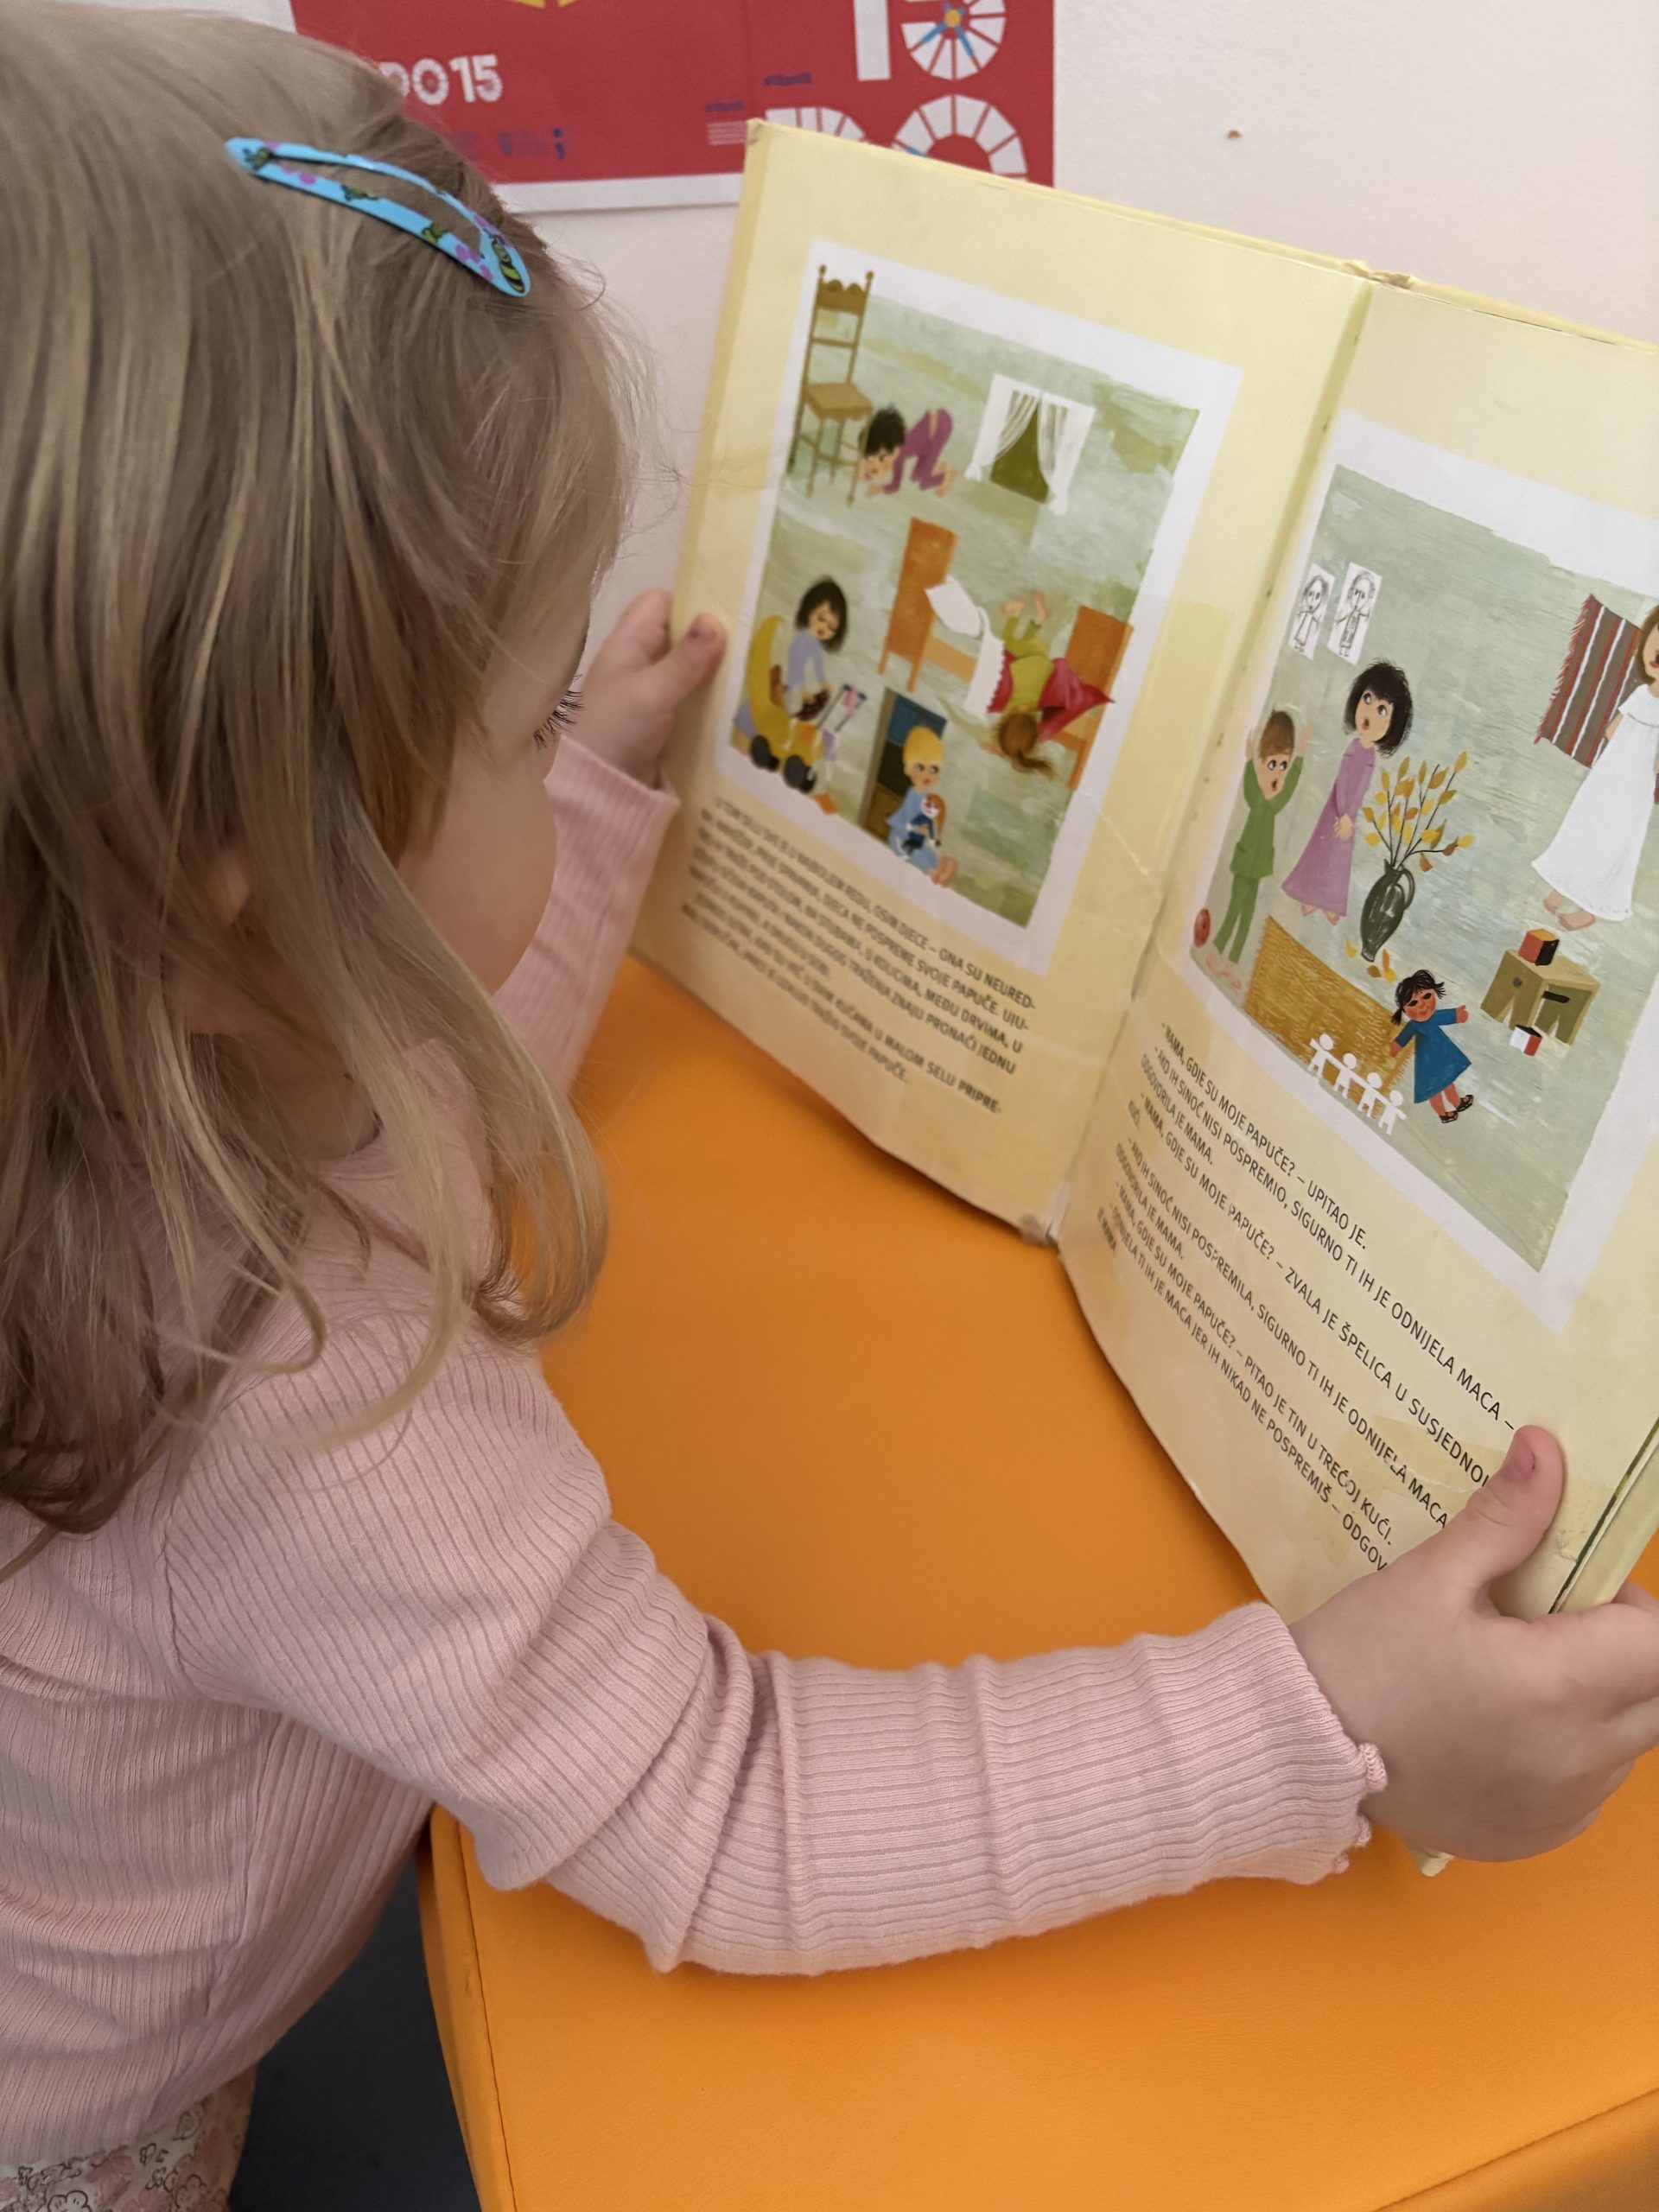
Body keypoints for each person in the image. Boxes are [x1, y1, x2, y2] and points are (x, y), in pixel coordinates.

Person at [6, 8, 1659, 2196]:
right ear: (262, 879)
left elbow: (417, 1060)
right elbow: (725, 1801)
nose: (560, 734)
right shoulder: (296, 1398)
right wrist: (1332, 1722)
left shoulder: (126, 1034)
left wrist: (586, 797)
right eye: (524, 716)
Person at [1534, 604, 1659, 929]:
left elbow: (1614, 732)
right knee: (1586, 827)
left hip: (1631, 784)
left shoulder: (1644, 697)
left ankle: (1590, 909)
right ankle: (1560, 891)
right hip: (1611, 776)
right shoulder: (1641, 693)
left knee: (1612, 842)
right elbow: (1611, 730)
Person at [1281, 662, 1413, 923]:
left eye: (1382, 710)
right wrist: (1342, 812)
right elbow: (1342, 782)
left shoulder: (1370, 755)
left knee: (1339, 861)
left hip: (1348, 817)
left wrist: (1350, 816)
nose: (1370, 713)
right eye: (1367, 699)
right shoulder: (1353, 747)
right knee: (1321, 853)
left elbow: (1361, 788)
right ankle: (1310, 896)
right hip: (1336, 811)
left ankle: (1331, 902)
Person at [1207, 710, 1303, 984]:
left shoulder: (1274, 805)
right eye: (1272, 764)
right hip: (1245, 860)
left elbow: (1287, 790)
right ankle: (1215, 953)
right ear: (1261, 764)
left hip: (1259, 865)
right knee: (1235, 907)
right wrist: (1249, 761)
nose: (1277, 774)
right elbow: (1251, 785)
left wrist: (1299, 760)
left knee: (1247, 915)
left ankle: (1231, 964)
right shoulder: (1257, 798)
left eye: (1283, 765)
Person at [988, 590, 1107, 774]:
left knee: (1022, 643)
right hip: (1031, 654)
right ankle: (1016, 611)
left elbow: (1029, 734)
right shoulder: (1007, 703)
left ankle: (1039, 617)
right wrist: (1000, 748)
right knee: (1008, 641)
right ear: (1003, 722)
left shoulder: (1041, 704)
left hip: (1042, 657)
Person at [1389, 972, 1475, 1123]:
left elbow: (1446, 1016)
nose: (1422, 1005)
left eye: (1427, 996)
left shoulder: (1433, 1017)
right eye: (1413, 1003)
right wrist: (1397, 1045)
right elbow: (1404, 1037)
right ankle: (1443, 1114)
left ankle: (1457, 1103)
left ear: (1434, 993)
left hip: (1442, 1056)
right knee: (1433, 1090)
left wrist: (1457, 1015)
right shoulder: (1413, 1025)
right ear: (1404, 1010)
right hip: (1427, 1064)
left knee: (1448, 1081)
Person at [887, 727, 958, 884]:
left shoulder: (927, 798)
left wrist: (931, 834)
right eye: (920, 767)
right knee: (916, 853)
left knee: (929, 853)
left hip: (916, 839)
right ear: (907, 769)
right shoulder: (913, 793)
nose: (927, 774)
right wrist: (917, 828)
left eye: (933, 769)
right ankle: (932, 871)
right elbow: (909, 818)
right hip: (901, 837)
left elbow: (928, 821)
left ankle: (939, 867)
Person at [860, 403, 957, 495]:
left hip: (940, 428)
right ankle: (936, 467)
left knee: (924, 483)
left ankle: (948, 475)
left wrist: (880, 488)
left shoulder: (893, 452)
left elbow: (895, 485)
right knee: (916, 476)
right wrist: (880, 487)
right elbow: (895, 485)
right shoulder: (895, 460)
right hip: (926, 445)